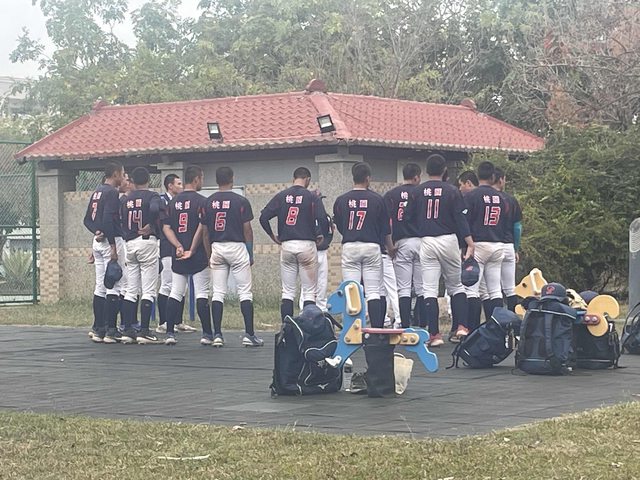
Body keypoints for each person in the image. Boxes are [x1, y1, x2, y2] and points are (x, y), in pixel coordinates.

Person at [410, 154, 474, 341]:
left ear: (426, 170)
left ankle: (434, 334)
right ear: (444, 170)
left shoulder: (417, 191)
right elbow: (460, 219)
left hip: (427, 240)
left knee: (429, 289)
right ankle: (461, 326)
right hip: (449, 239)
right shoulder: (452, 190)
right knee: (456, 285)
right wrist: (469, 242)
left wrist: (422, 228)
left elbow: (407, 217)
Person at [201, 166, 264, 347]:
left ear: (217, 180)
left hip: (217, 246)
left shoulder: (208, 202)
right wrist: (250, 253)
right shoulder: (241, 201)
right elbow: (247, 230)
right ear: (232, 179)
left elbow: (205, 233)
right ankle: (249, 334)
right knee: (244, 292)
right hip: (237, 247)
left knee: (218, 292)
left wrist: (209, 255)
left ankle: (217, 335)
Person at [333, 162, 394, 328]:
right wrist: (390, 247)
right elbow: (385, 228)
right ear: (368, 178)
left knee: (351, 289)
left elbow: (340, 224)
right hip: (371, 246)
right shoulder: (377, 199)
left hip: (350, 245)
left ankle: (353, 328)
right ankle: (376, 330)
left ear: (353, 178)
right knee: (374, 291)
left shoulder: (341, 200)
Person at [259, 167, 326, 320]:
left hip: (287, 245)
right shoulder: (312, 196)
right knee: (309, 292)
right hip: (307, 245)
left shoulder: (282, 195)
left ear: (293, 179)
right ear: (308, 179)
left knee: (287, 292)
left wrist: (272, 236)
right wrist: (321, 234)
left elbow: (263, 217)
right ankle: (309, 327)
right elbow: (322, 218)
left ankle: (286, 328)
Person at [161, 165, 212, 345]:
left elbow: (166, 227)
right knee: (201, 293)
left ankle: (169, 333)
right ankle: (207, 334)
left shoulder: (173, 202)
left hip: (178, 254)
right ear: (196, 179)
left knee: (176, 292)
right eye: (202, 178)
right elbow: (202, 227)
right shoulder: (202, 201)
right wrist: (193, 248)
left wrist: (178, 245)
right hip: (197, 254)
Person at [119, 167, 164, 344]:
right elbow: (155, 209)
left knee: (131, 290)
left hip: (129, 244)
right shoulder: (152, 196)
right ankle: (144, 331)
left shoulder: (125, 199)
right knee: (148, 290)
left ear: (133, 181)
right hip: (146, 242)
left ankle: (128, 330)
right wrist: (151, 224)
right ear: (148, 180)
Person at [84, 162, 125, 343]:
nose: (123, 177)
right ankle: (111, 330)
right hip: (110, 240)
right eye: (122, 174)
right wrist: (113, 245)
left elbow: (87, 220)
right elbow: (108, 218)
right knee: (114, 285)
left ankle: (98, 328)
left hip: (98, 241)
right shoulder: (112, 192)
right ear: (115, 174)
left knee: (100, 286)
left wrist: (96, 231)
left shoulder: (97, 192)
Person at [464, 161, 506, 330]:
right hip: (498, 244)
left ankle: (473, 331)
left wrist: (465, 245)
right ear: (493, 177)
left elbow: (464, 221)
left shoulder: (472, 196)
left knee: (472, 290)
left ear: (478, 175)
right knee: (495, 290)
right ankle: (496, 329)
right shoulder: (502, 197)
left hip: (478, 244)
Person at [384, 163, 426, 331]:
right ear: (416, 176)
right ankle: (422, 325)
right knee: (422, 288)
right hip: (422, 242)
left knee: (403, 288)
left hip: (401, 242)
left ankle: (405, 326)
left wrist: (389, 244)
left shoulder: (391, 194)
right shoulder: (422, 192)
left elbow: (386, 222)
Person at [156, 174, 194, 334]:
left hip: (180, 247)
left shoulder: (181, 202)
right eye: (178, 184)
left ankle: (177, 321)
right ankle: (164, 322)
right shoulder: (162, 201)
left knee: (181, 285)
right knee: (167, 284)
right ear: (170, 186)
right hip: (166, 246)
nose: (181, 186)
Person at [298, 190, 333, 312]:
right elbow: (329, 234)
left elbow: (330, 233)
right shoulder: (312, 216)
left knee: (318, 282)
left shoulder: (324, 217)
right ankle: (308, 309)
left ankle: (319, 308)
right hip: (313, 250)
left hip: (318, 251)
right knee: (310, 282)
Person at [493, 167, 522, 312]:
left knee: (493, 289)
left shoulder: (484, 198)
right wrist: (516, 248)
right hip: (508, 245)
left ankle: (495, 319)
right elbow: (517, 227)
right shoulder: (511, 200)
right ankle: (512, 319)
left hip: (491, 244)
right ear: (500, 179)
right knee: (510, 288)